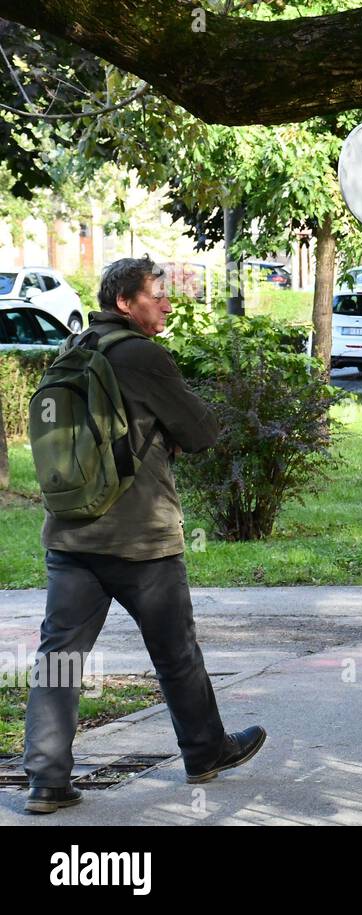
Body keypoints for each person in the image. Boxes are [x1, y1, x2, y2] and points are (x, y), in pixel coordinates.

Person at [23, 256, 266, 815]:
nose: (167, 302)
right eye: (157, 293)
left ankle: (46, 781)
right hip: (139, 539)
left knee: (58, 658)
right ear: (126, 303)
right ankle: (206, 751)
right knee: (176, 651)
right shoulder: (141, 354)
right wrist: (169, 439)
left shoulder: (73, 349)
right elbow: (202, 430)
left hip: (69, 537)